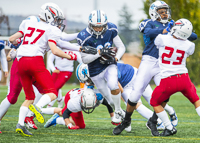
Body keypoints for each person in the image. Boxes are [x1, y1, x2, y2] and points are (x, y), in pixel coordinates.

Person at [113, 1, 197, 136]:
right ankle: (126, 121)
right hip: (148, 61)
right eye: (161, 11)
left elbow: (193, 36)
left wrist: (177, 29)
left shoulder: (173, 25)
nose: (165, 13)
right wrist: (166, 30)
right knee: (135, 94)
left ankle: (153, 120)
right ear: (154, 12)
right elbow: (148, 32)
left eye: (165, 11)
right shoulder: (148, 23)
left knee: (165, 94)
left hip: (162, 64)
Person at [9, 3, 78, 137]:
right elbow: (55, 50)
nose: (58, 22)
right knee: (52, 92)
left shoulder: (29, 23)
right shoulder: (51, 29)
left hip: (21, 62)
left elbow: (12, 39)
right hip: (35, 61)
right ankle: (38, 109)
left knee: (29, 97)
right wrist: (70, 55)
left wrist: (17, 44)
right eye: (56, 18)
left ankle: (20, 125)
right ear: (49, 15)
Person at [151, 18, 200, 136]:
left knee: (154, 102)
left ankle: (169, 127)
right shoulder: (190, 45)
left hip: (168, 79)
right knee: (196, 100)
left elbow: (157, 42)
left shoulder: (162, 38)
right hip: (184, 78)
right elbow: (187, 43)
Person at [77, 10, 126, 124]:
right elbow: (85, 59)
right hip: (94, 70)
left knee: (113, 85)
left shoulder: (111, 29)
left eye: (101, 26)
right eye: (95, 26)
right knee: (110, 100)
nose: (98, 29)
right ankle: (121, 113)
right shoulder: (84, 36)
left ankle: (118, 111)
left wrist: (116, 58)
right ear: (90, 24)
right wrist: (99, 53)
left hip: (109, 65)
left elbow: (121, 47)